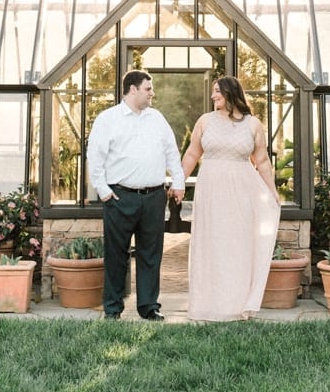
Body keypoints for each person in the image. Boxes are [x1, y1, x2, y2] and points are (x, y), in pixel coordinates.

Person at [85, 69, 186, 320]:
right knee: (116, 255)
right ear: (133, 90)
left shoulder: (157, 118)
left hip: (154, 197)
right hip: (120, 198)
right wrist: (104, 191)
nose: (152, 93)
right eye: (148, 89)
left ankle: (149, 306)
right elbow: (95, 157)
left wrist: (179, 181)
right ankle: (113, 308)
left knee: (151, 254)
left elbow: (172, 152)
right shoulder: (108, 119)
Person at [180, 75, 281, 321]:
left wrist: (273, 191)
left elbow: (263, 161)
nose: (213, 95)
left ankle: (237, 304)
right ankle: (208, 304)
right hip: (211, 190)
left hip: (242, 192)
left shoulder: (253, 124)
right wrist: (178, 181)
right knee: (211, 244)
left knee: (237, 245)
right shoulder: (205, 121)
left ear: (230, 93)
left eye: (217, 91)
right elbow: (193, 153)